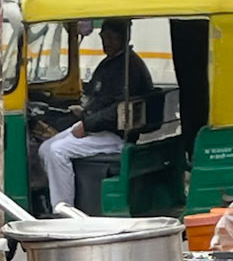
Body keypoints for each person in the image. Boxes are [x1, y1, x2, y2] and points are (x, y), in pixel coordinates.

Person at [39, 19, 155, 212]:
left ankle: (64, 210)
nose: (106, 42)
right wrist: (82, 110)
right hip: (97, 126)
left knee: (57, 151)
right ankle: (62, 194)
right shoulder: (111, 62)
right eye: (103, 37)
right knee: (45, 148)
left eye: (111, 38)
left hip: (116, 134)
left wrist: (88, 124)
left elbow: (119, 108)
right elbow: (98, 95)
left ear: (124, 38)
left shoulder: (128, 67)